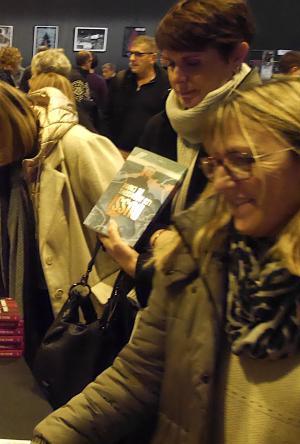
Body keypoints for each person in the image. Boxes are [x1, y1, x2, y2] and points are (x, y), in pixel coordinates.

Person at [32, 75, 300, 444]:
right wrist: (49, 441)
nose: (224, 182)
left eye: (244, 160)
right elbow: (137, 376)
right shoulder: (199, 255)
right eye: (216, 163)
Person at [0, 79, 123, 363]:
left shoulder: (78, 145)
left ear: (6, 123)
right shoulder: (6, 159)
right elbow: (0, 235)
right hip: (33, 304)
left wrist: (102, 293)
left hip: (80, 314)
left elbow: (130, 225)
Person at [103, 0, 261, 306]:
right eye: (170, 64)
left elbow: (243, 262)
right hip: (154, 309)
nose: (177, 77)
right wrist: (159, 239)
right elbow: (118, 222)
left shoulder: (264, 134)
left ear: (237, 56)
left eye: (192, 63)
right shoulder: (163, 124)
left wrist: (146, 261)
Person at [104, 35, 170, 153]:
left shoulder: (166, 84)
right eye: (131, 54)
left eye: (139, 54)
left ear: (152, 58)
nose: (132, 59)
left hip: (149, 155)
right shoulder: (120, 80)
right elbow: (106, 115)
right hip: (117, 150)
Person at [69, 50, 108, 131]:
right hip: (80, 121)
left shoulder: (77, 75)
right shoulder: (78, 78)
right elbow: (78, 103)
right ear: (88, 61)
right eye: (90, 60)